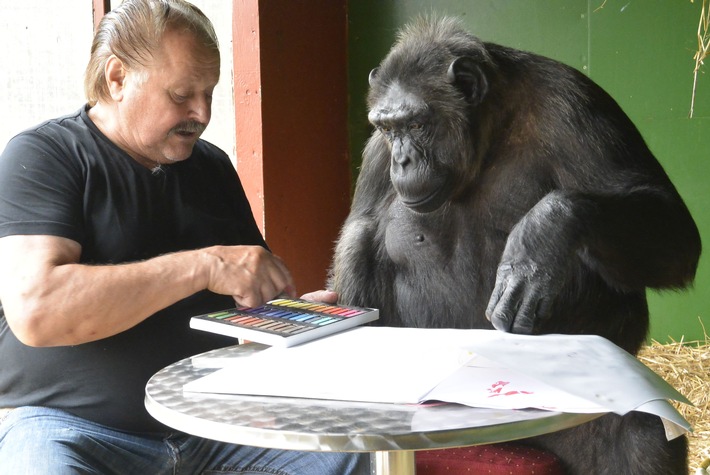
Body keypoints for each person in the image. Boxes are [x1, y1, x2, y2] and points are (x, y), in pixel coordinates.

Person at [0, 1, 367, 473]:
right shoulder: (47, 155)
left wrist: (289, 320)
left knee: (352, 458)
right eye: (181, 94)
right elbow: (38, 311)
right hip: (69, 428)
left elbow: (247, 304)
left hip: (212, 420)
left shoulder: (210, 165)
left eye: (210, 92)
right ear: (117, 78)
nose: (202, 112)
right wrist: (204, 265)